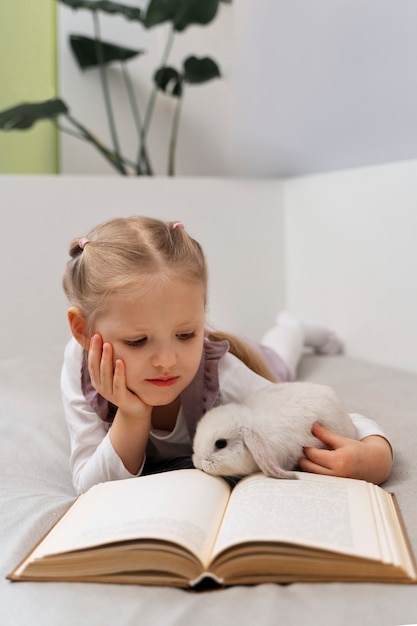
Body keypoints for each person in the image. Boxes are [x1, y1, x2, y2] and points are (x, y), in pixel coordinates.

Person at [61, 216, 393, 494]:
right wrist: (133, 415)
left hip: (255, 362)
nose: (167, 360)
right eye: (137, 341)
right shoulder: (81, 370)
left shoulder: (218, 370)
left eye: (186, 334)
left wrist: (375, 454)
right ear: (83, 332)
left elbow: (324, 412)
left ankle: (295, 327)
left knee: (278, 362)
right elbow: (90, 486)